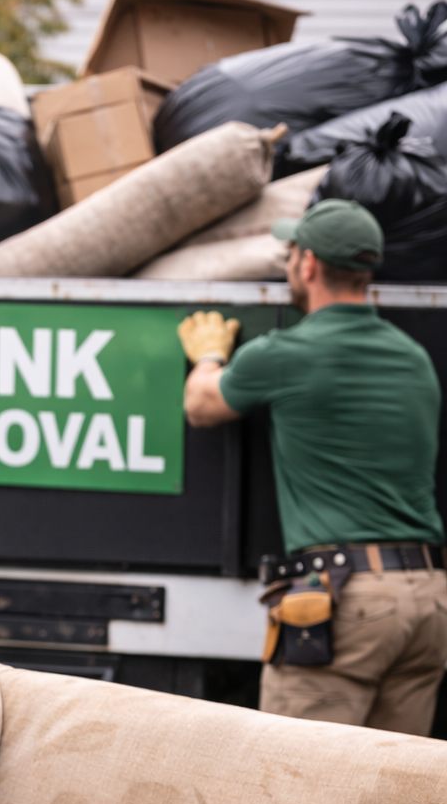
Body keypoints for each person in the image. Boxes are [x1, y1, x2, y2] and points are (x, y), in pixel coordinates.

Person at [178, 198, 447, 736]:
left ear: (307, 265)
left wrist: (209, 355)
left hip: (349, 602)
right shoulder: (412, 357)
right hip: (428, 599)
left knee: (296, 785)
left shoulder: (285, 354)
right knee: (393, 795)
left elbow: (201, 405)